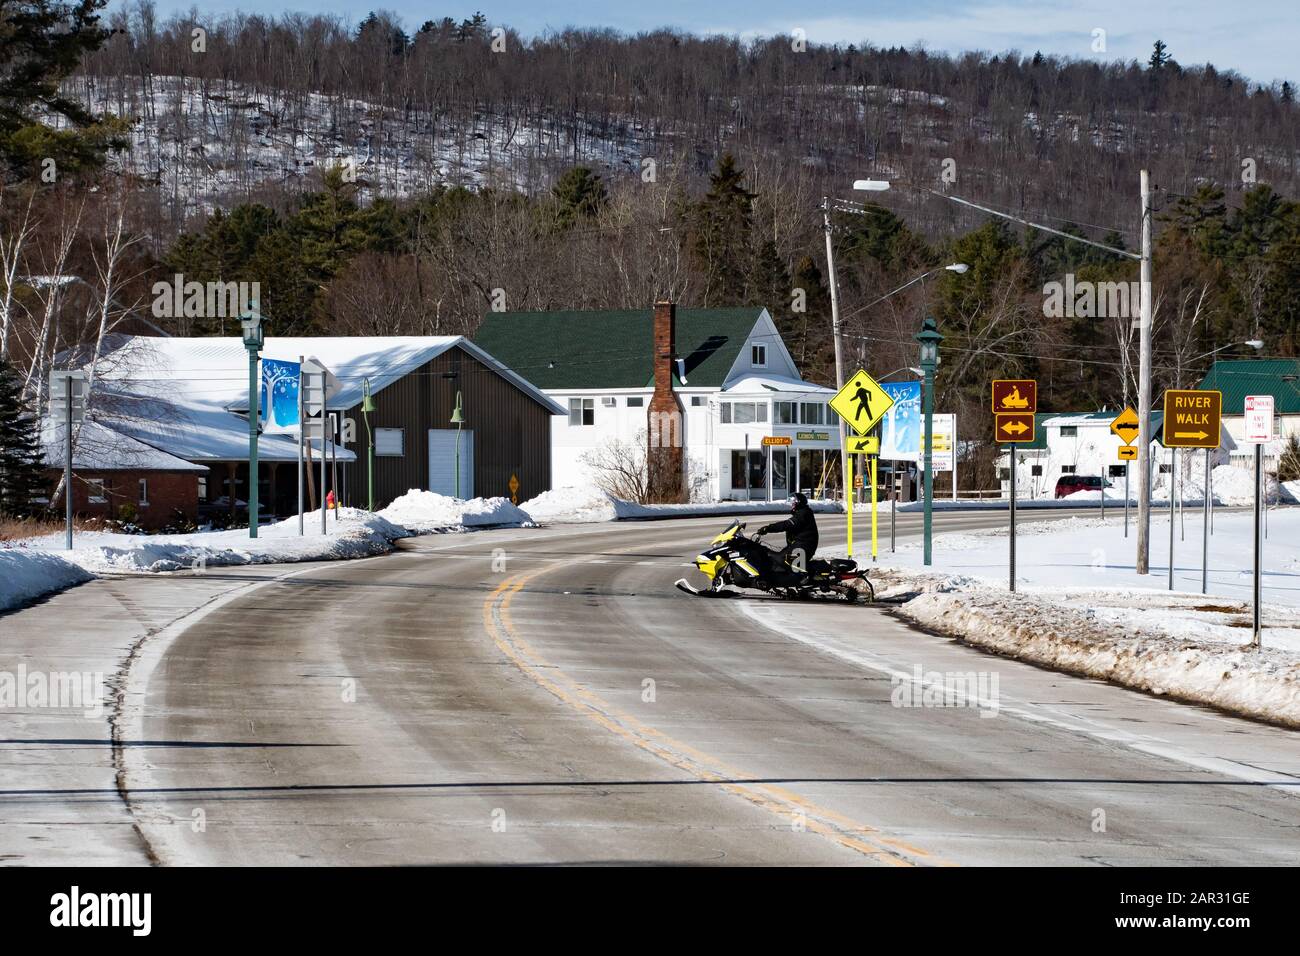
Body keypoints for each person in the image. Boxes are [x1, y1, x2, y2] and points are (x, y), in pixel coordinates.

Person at [758, 492, 819, 573]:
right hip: (799, 545)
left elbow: (787, 524)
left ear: (798, 502)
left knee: (781, 560)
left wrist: (768, 528)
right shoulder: (802, 512)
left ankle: (801, 576)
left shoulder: (803, 513)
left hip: (803, 547)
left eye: (793, 502)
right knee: (777, 557)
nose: (792, 504)